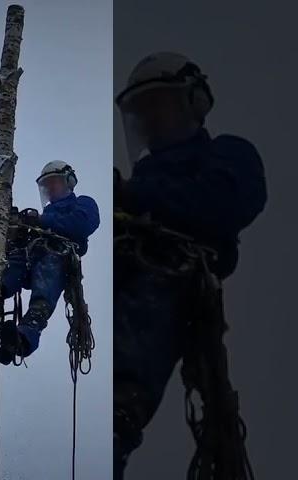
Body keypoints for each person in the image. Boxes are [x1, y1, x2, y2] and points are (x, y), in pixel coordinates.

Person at [112, 52, 267, 478]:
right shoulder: (136, 184)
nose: (150, 121)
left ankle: (117, 413)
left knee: (152, 293)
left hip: (170, 275)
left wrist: (131, 199)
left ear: (193, 104)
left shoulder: (227, 156)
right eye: (142, 113)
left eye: (158, 106)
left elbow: (223, 203)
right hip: (122, 279)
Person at [0, 161, 99, 364]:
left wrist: (40, 221)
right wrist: (17, 230)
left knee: (44, 291)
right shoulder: (45, 216)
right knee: (1, 279)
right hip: (32, 257)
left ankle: (23, 338)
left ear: (69, 182)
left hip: (57, 257)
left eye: (53, 182)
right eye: (46, 185)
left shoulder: (83, 203)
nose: (49, 188)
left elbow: (81, 225)